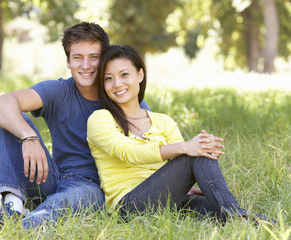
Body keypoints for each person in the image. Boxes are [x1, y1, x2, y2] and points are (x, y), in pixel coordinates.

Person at [0, 22, 150, 229]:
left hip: (91, 186)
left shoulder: (121, 94)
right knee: (15, 119)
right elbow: (0, 104)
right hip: (51, 176)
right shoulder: (58, 91)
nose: (86, 65)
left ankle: (19, 227)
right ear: (68, 61)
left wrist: (177, 182)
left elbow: (152, 141)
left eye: (94, 57)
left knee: (64, 202)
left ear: (104, 60)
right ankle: (12, 203)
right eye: (77, 58)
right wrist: (29, 138)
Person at [87, 45, 267, 223]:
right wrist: (185, 147)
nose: (117, 84)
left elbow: (177, 165)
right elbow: (129, 153)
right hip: (129, 206)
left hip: (170, 201)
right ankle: (235, 215)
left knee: (217, 210)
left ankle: (251, 222)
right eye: (108, 78)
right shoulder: (100, 120)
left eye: (124, 74)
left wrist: (190, 184)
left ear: (140, 75)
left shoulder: (164, 121)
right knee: (194, 152)